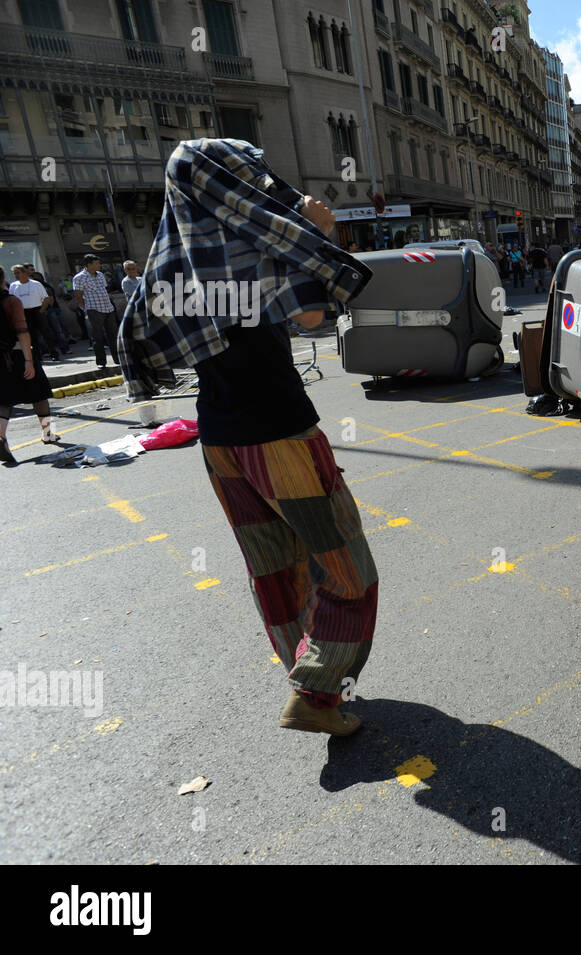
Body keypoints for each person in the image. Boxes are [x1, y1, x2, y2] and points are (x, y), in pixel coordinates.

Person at [119, 137, 376, 736]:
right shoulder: (256, 242)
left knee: (274, 568)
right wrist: (316, 230)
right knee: (347, 569)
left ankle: (305, 674)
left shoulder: (170, 255)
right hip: (279, 432)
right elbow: (311, 316)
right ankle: (315, 692)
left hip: (220, 439)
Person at [0, 283, 60, 464]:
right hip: (18, 354)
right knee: (39, 394)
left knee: (4, 399)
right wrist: (28, 361)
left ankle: (0, 437)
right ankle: (48, 433)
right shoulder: (11, 301)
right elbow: (22, 331)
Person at [73, 255, 119, 369]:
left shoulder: (101, 275)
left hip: (108, 308)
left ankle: (118, 359)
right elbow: (78, 296)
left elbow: (104, 290)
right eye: (96, 263)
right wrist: (86, 308)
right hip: (94, 309)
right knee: (97, 337)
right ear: (89, 265)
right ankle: (101, 362)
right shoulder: (79, 277)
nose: (99, 265)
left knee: (113, 335)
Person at [9, 265, 54, 361]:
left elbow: (46, 298)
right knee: (31, 336)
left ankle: (53, 353)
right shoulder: (13, 286)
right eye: (14, 273)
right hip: (24, 312)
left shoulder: (35, 284)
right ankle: (37, 356)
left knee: (45, 333)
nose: (16, 275)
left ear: (24, 273)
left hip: (37, 310)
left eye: (18, 273)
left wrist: (42, 310)